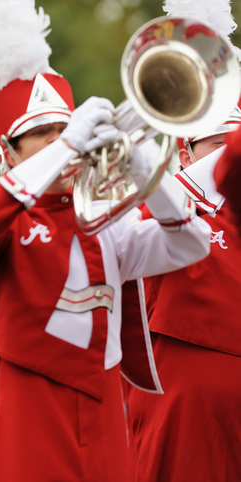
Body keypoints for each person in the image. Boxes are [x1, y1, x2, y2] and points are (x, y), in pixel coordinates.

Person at [0, 69, 212, 481]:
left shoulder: (103, 219)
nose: (57, 140)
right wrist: (70, 142)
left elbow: (192, 242)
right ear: (9, 152)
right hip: (31, 405)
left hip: (104, 404)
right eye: (42, 133)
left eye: (63, 128)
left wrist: (140, 161)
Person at [126, 111, 241, 481]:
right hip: (187, 394)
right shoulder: (168, 201)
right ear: (186, 154)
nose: (227, 154)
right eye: (217, 144)